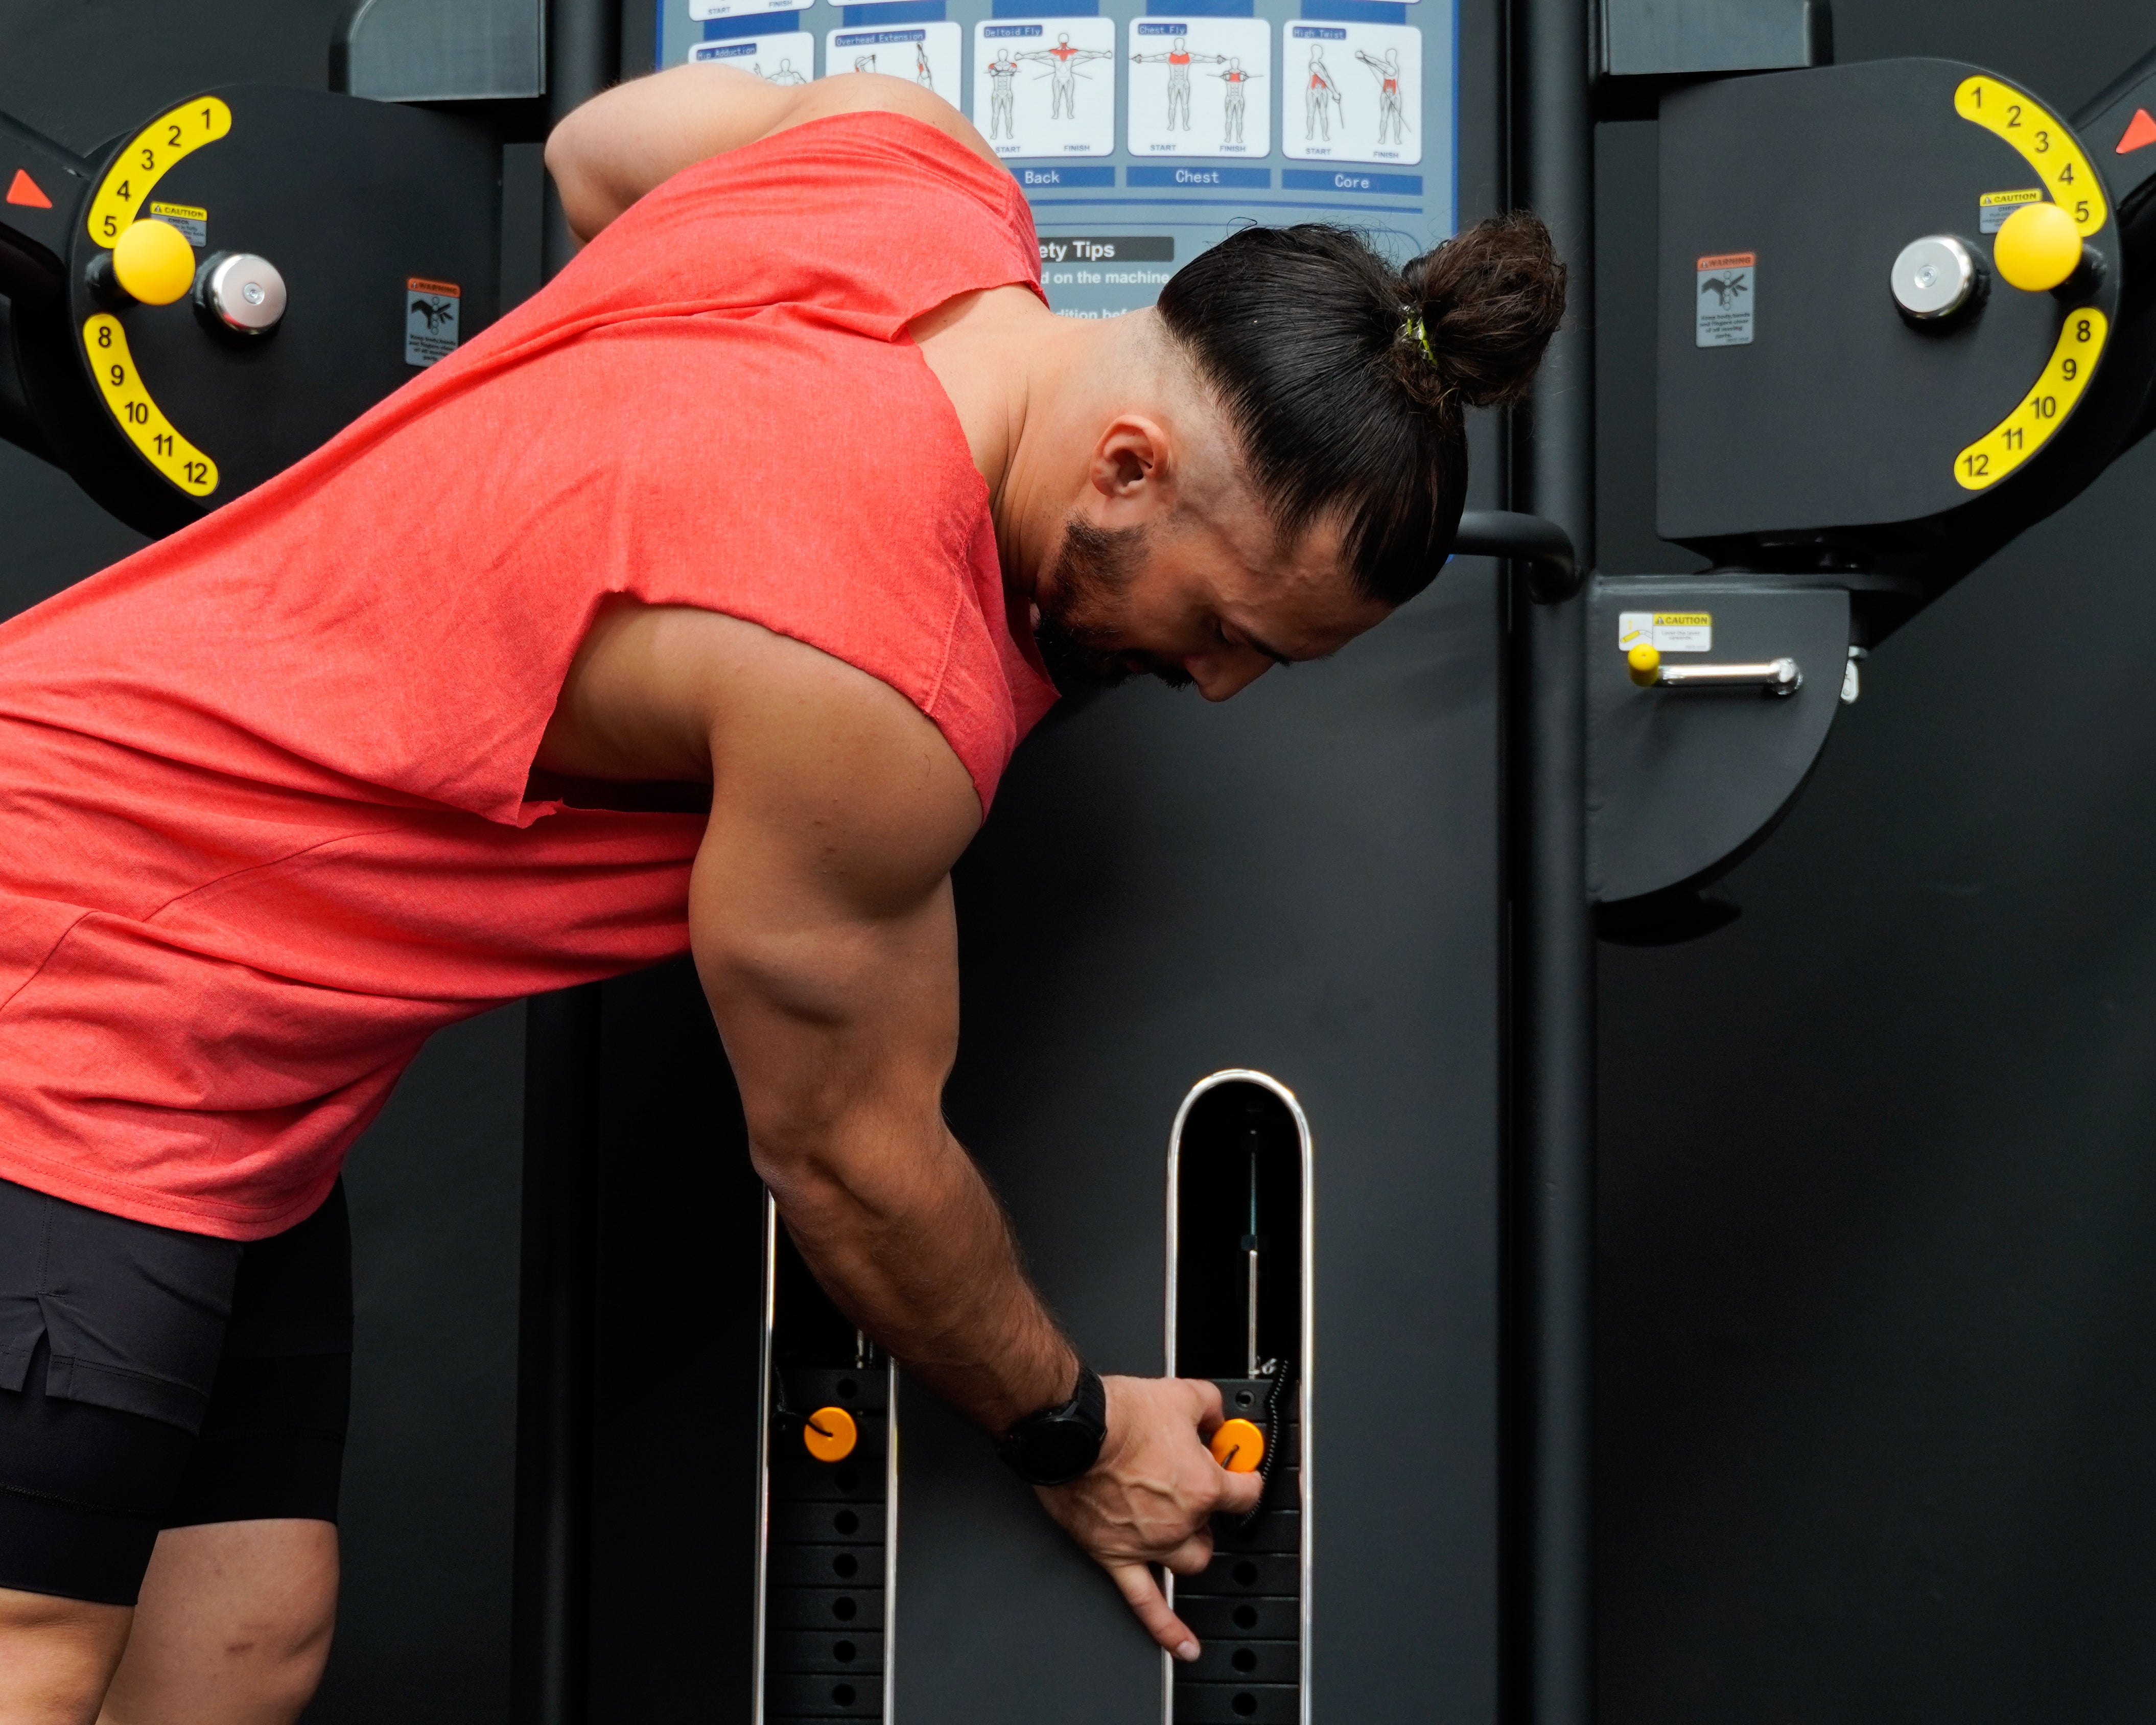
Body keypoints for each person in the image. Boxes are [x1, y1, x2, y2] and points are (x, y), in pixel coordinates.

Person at [0, 64, 1563, 1725]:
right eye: (1226, 629)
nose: (1221, 683)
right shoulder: (871, 677)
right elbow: (848, 1158)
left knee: (243, 1635)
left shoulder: (907, 166)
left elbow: (596, 156)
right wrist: (1076, 1433)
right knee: (35, 1652)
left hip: (249, 1057)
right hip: (80, 969)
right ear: (1124, 463)